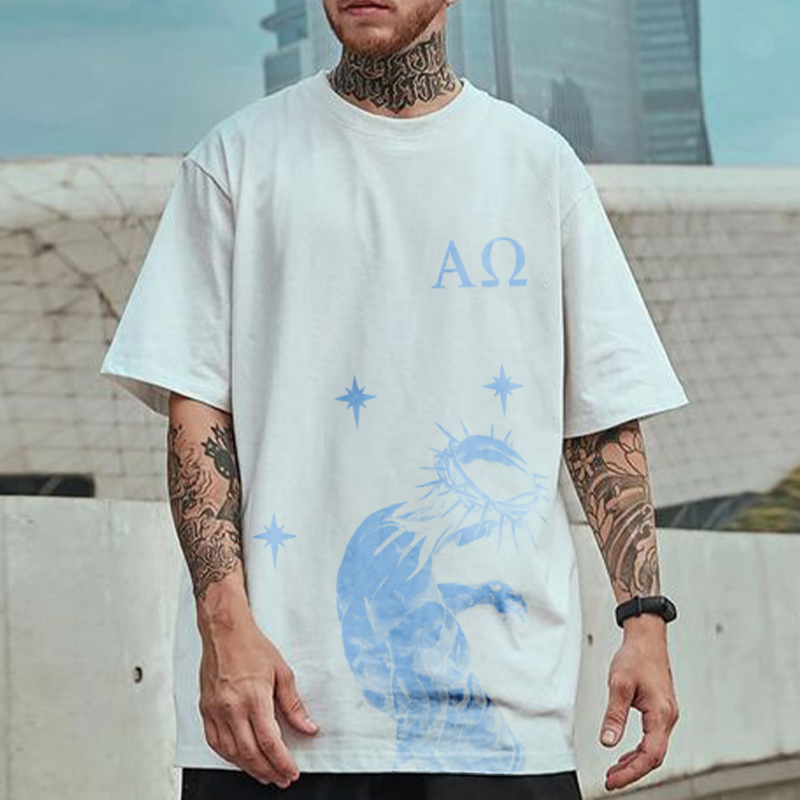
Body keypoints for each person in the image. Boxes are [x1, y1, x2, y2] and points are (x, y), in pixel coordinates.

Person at [100, 0, 689, 797]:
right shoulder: (235, 161)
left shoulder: (538, 168)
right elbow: (198, 417)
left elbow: (601, 423)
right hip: (277, 717)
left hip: (502, 722)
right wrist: (224, 627)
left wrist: (644, 620)